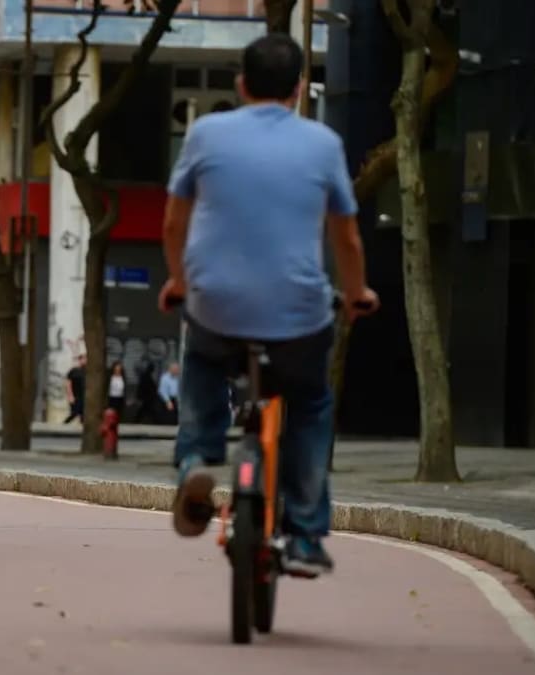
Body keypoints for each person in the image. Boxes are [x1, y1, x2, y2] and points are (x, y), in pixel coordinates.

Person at [158, 33, 379, 578]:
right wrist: (357, 294)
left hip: (217, 305)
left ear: (240, 84)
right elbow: (346, 239)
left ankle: (197, 458)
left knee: (204, 363)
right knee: (309, 407)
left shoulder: (206, 133)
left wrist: (179, 279)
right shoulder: (323, 144)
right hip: (298, 315)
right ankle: (304, 534)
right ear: (300, 89)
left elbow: (173, 222)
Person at [63, 354, 86, 424]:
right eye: (83, 359)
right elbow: (68, 384)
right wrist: (70, 396)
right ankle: (64, 424)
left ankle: (83, 429)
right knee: (74, 413)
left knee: (83, 414)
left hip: (84, 396)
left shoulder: (87, 372)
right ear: (80, 360)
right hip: (76, 396)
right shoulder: (74, 371)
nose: (85, 361)